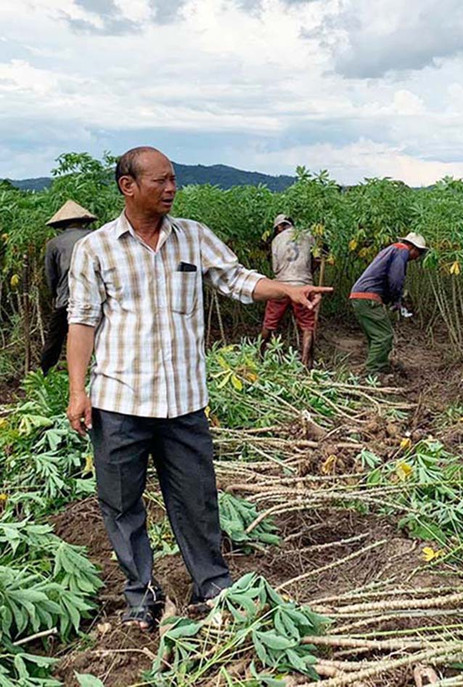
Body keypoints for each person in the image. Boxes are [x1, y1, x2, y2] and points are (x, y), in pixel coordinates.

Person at [65, 146, 332, 630]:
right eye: (160, 181)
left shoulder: (193, 237)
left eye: (174, 180)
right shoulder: (96, 248)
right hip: (119, 401)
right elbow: (83, 321)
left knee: (196, 498)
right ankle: (141, 594)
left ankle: (212, 584)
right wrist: (77, 390)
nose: (171, 189)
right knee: (121, 505)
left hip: (183, 401)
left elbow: (238, 281)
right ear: (128, 186)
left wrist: (286, 289)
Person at [349, 233, 426, 375]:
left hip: (360, 296)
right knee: (383, 336)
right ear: (412, 248)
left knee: (376, 336)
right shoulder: (401, 250)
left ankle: (381, 366)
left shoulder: (391, 250)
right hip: (368, 296)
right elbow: (396, 278)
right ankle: (372, 373)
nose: (416, 258)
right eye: (418, 254)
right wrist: (396, 300)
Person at [41, 200, 97, 374]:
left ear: (62, 224)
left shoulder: (54, 244)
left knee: (55, 339)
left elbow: (51, 276)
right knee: (98, 335)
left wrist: (56, 295)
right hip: (96, 297)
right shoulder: (96, 237)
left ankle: (45, 373)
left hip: (66, 298)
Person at [259, 213, 319, 364]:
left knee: (269, 323)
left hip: (282, 285)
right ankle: (306, 363)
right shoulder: (308, 235)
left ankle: (259, 355)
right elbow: (316, 259)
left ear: (279, 226)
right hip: (304, 285)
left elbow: (275, 268)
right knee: (307, 326)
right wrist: (307, 274)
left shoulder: (277, 240)